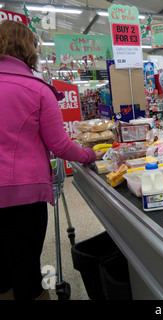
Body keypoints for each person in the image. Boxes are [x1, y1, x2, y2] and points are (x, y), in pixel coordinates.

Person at [0, 20, 104, 300]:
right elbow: (59, 144)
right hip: (23, 194)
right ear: (28, 49)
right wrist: (91, 154)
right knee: (25, 266)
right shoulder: (37, 89)